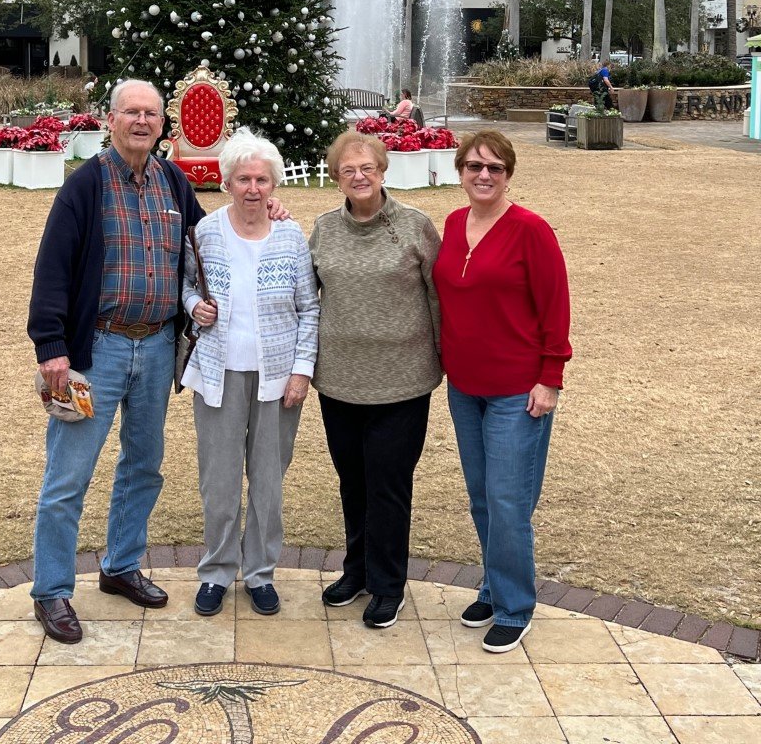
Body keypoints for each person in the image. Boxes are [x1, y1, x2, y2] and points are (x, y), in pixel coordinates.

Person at [26, 79, 203, 643]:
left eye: (151, 113)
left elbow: (209, 240)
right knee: (68, 476)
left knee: (143, 465)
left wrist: (267, 206)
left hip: (154, 346)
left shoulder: (174, 181)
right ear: (111, 119)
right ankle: (52, 590)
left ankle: (120, 565)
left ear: (161, 123)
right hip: (96, 350)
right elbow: (52, 267)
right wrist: (52, 348)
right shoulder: (85, 185)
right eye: (132, 112)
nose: (142, 121)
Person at [432, 129, 572, 654]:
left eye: (494, 167)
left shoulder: (530, 230)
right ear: (460, 171)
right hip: (465, 386)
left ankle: (515, 606)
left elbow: (555, 306)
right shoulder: (451, 223)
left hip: (519, 390)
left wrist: (550, 378)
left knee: (510, 500)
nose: (483, 175)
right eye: (473, 166)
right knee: (482, 496)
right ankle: (494, 586)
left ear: (509, 173)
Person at [183, 128, 319, 618]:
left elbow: (310, 308)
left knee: (268, 482)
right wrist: (195, 304)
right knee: (218, 480)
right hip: (218, 374)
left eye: (263, 179)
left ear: (274, 185)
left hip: (277, 378)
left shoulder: (290, 236)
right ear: (227, 182)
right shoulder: (206, 232)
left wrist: (301, 372)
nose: (254, 189)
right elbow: (187, 285)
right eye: (244, 178)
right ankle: (217, 571)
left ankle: (260, 572)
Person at [308, 129, 442, 629]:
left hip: (402, 381)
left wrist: (443, 352)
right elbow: (308, 297)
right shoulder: (323, 229)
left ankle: (388, 585)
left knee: (388, 484)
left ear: (383, 171)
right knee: (352, 481)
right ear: (336, 176)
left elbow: (438, 295)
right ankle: (357, 570)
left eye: (367, 168)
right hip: (340, 380)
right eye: (348, 170)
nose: (359, 177)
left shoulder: (415, 226)